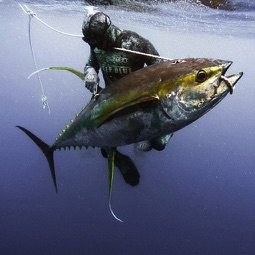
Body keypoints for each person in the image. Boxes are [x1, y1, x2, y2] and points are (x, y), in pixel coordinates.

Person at [82, 11, 172, 186]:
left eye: (97, 41)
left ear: (106, 33)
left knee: (160, 143)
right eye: (91, 42)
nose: (96, 46)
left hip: (139, 103)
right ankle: (119, 160)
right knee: (105, 147)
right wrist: (90, 72)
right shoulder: (96, 44)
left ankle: (157, 132)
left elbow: (163, 73)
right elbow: (90, 63)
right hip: (111, 102)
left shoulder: (136, 43)